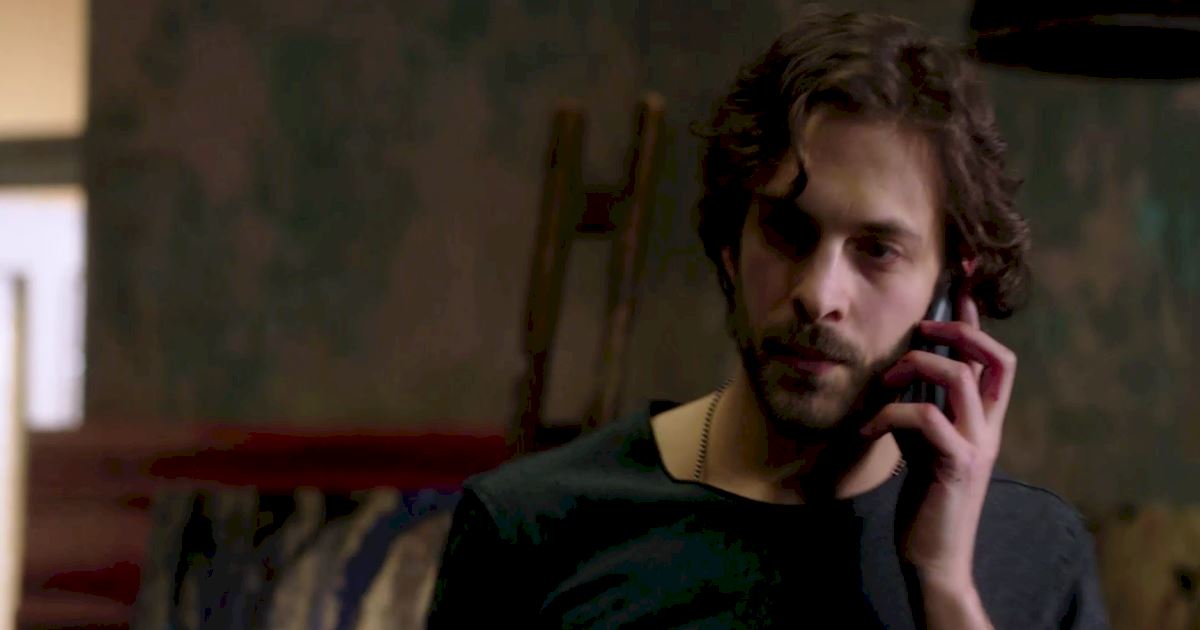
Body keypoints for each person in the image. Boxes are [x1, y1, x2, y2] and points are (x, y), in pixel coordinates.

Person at [427, 7, 1108, 629]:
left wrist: (947, 585)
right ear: (731, 244)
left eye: (877, 250)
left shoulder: (1038, 553)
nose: (819, 293)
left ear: (951, 287)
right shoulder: (530, 526)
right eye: (787, 230)